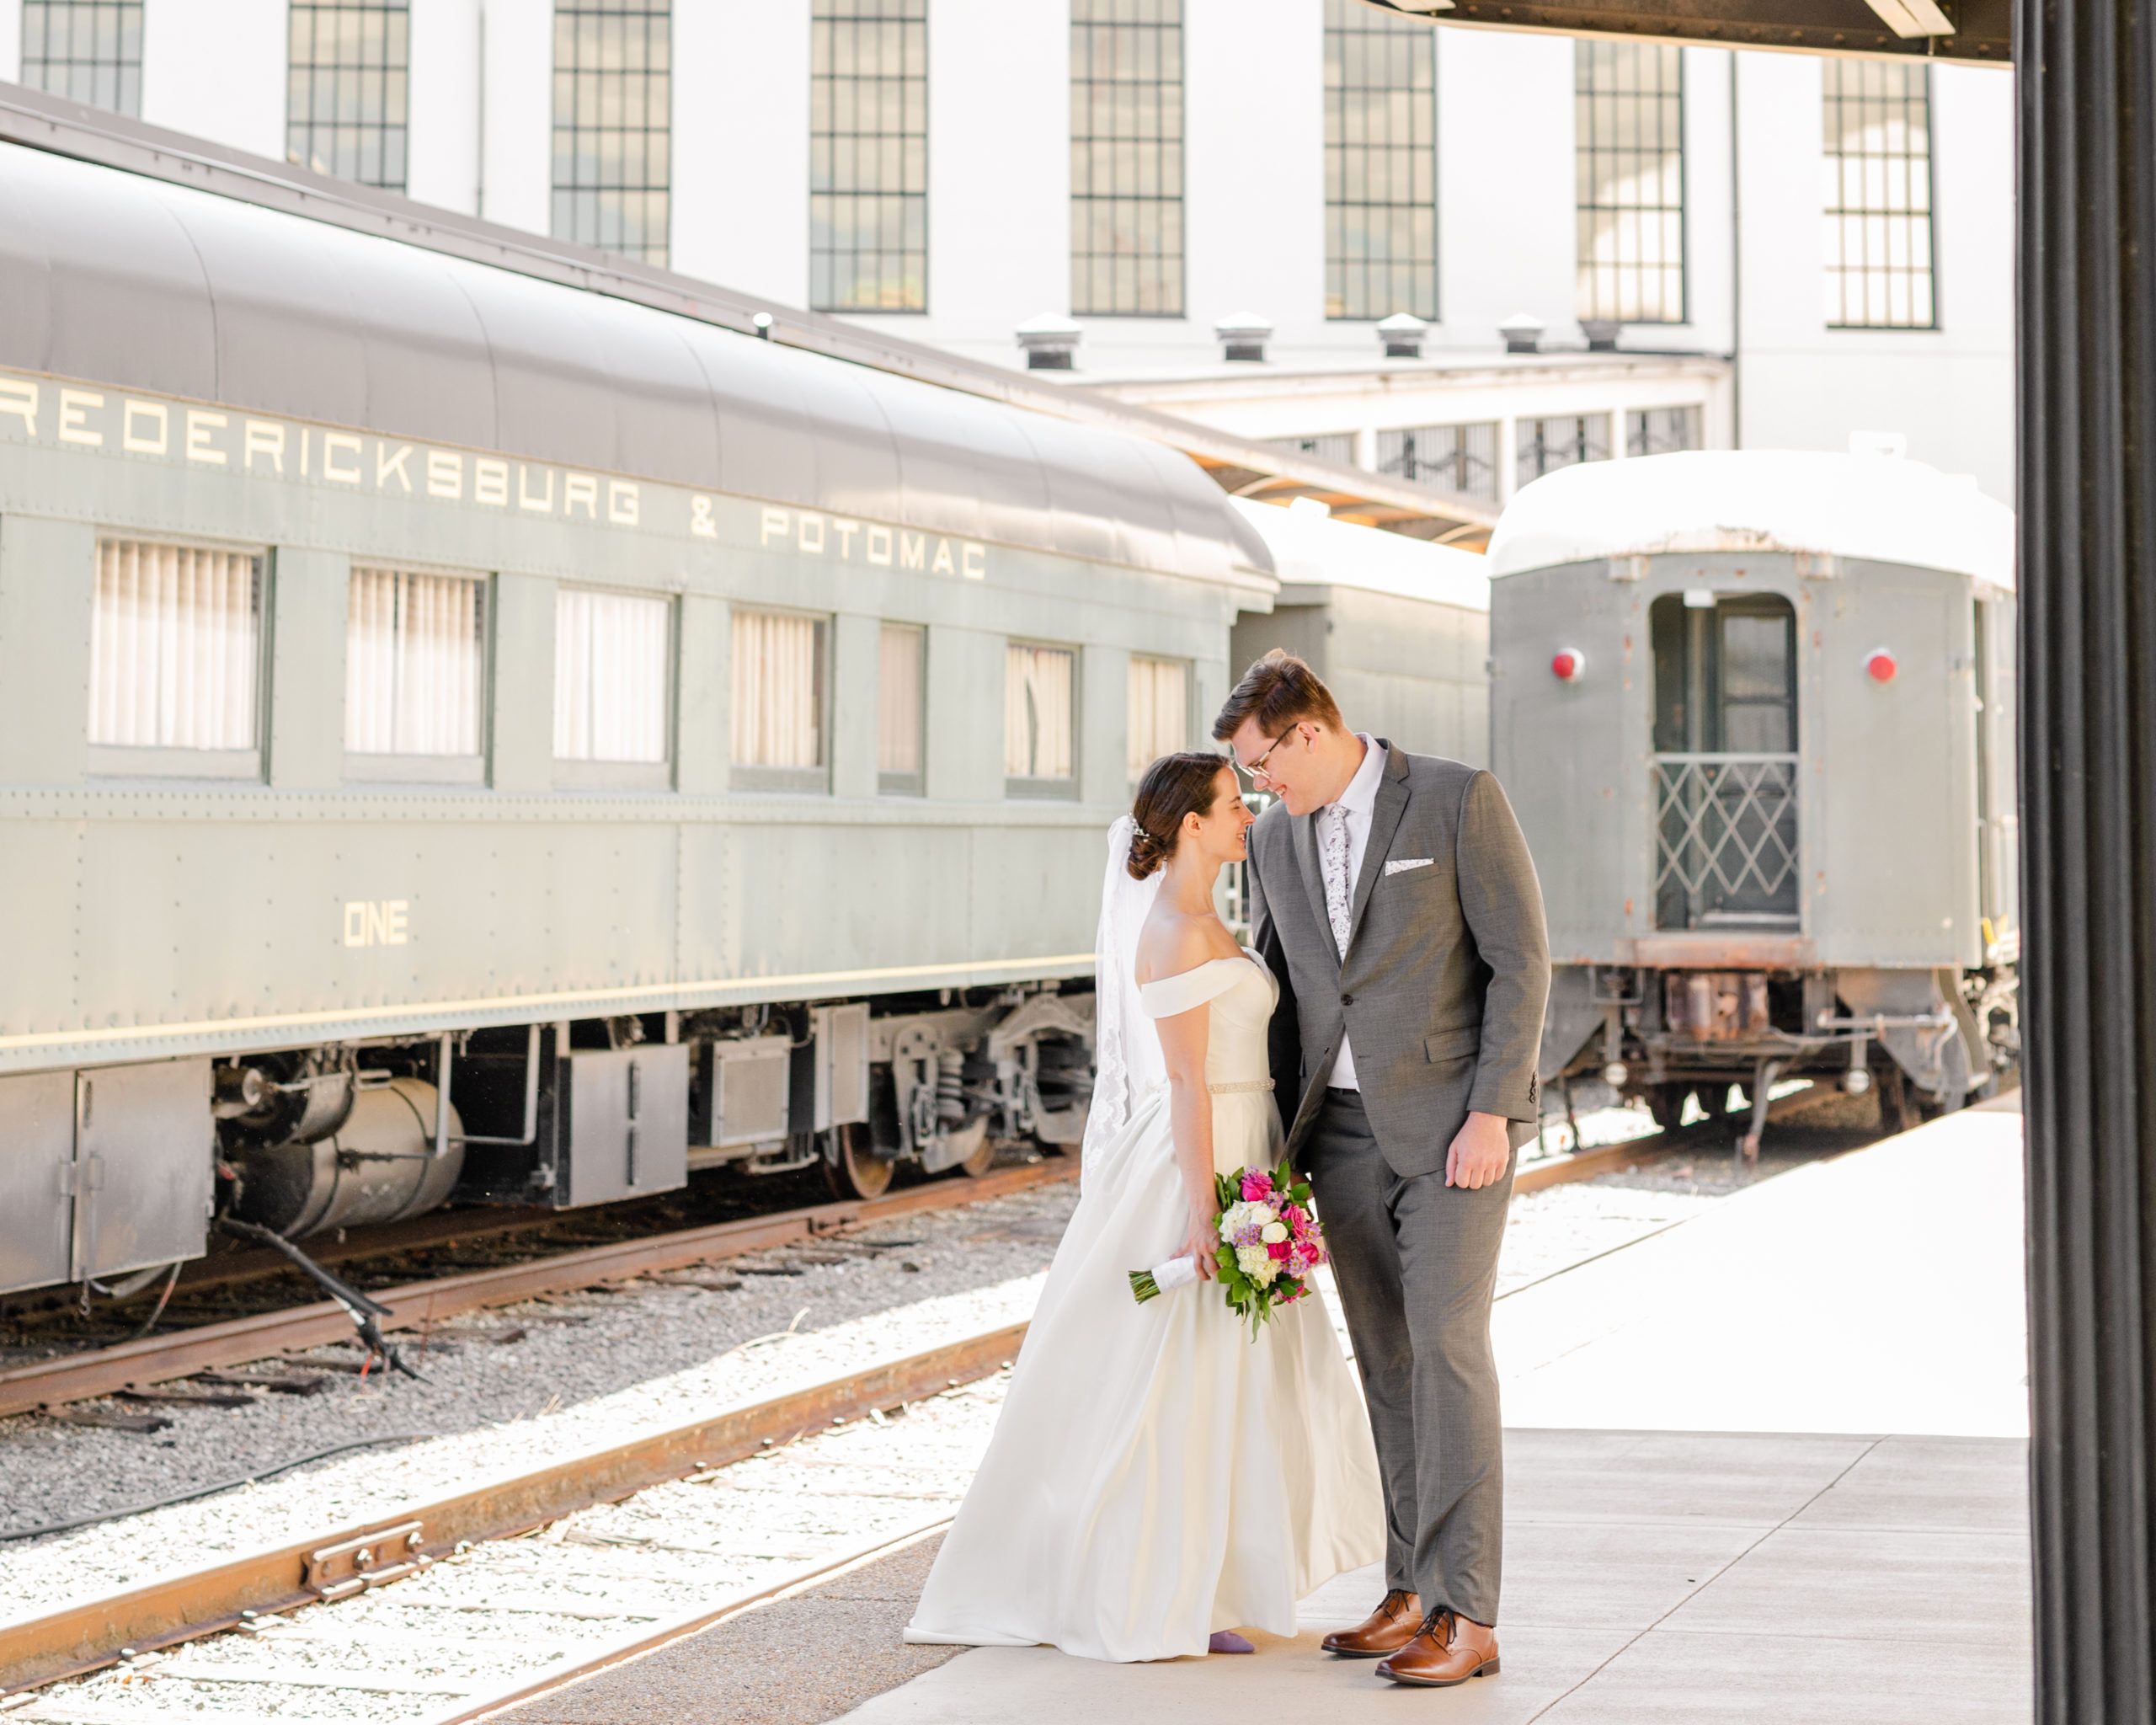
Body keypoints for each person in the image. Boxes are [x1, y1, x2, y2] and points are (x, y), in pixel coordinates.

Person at [903, 751, 1382, 1661]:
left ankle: (1209, 1575)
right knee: (1176, 1368)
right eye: (1234, 804)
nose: (1250, 814)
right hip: (1195, 1157)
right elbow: (1187, 1082)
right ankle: (1156, 1581)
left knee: (1228, 1371)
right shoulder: (1170, 929)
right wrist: (1206, 1211)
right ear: (1191, 823)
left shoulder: (1209, 915)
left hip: (1244, 1143)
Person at [1214, 649, 1549, 1690]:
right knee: (1388, 1361)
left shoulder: (1454, 797)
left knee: (1447, 1351)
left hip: (1455, 1130)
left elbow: (1520, 960)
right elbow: (1281, 990)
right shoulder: (1273, 840)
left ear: (1308, 731)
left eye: (1262, 761)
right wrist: (1266, 1154)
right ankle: (1408, 1586)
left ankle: (1468, 1610)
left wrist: (1493, 1106)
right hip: (1340, 1139)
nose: (1257, 784)